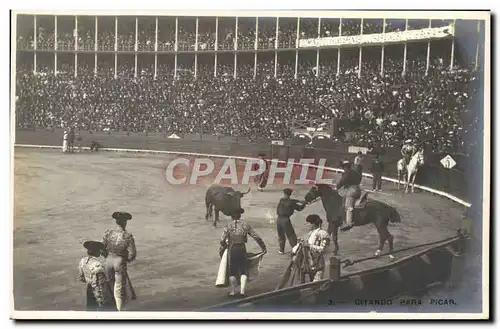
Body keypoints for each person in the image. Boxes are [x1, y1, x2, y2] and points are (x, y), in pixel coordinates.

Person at [219, 209, 267, 297]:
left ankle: (233, 291)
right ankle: (242, 291)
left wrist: (224, 246)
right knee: (243, 270)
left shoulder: (228, 226)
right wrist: (263, 247)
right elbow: (256, 237)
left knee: (232, 271)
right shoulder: (245, 225)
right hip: (241, 248)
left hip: (232, 248)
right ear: (240, 216)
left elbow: (222, 240)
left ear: (231, 216)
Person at [101, 211, 137, 311]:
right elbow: (132, 254)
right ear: (125, 222)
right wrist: (126, 260)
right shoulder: (127, 236)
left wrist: (107, 256)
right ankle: (119, 312)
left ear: (116, 222)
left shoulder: (108, 233)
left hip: (108, 260)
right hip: (119, 261)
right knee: (119, 288)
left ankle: (109, 309)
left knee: (109, 285)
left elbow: (102, 248)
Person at [77, 240, 114, 311]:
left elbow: (82, 278)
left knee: (91, 310)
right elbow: (100, 285)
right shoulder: (98, 265)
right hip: (99, 291)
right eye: (99, 250)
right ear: (97, 251)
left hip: (89, 289)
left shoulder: (83, 261)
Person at [276, 188, 307, 254]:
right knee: (291, 235)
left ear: (284, 194)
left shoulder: (281, 200)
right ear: (290, 194)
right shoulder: (291, 203)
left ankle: (281, 250)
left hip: (278, 220)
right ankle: (295, 249)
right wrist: (304, 204)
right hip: (285, 220)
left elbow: (291, 201)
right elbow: (299, 208)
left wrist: (299, 201)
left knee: (281, 235)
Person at [336, 160, 362, 231]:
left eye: (344, 167)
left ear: (346, 166)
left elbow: (342, 181)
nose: (343, 168)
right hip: (358, 189)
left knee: (348, 205)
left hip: (352, 190)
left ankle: (349, 223)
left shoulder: (347, 173)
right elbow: (360, 178)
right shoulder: (354, 171)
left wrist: (337, 187)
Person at [303, 214, 330, 281]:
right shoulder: (310, 233)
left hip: (318, 263)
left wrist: (309, 246)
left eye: (308, 223)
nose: (307, 225)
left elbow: (322, 249)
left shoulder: (323, 234)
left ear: (313, 224)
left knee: (316, 284)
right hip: (310, 263)